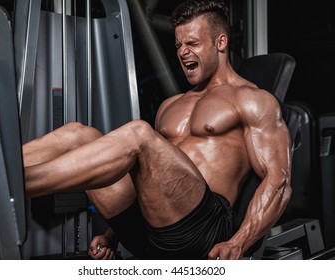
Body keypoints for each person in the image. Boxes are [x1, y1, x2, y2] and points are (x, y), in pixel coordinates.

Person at [23, 0, 292, 260]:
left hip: (202, 231)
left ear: (220, 42)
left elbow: (278, 182)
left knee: (139, 134)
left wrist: (238, 243)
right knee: (76, 134)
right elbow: (151, 180)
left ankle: (19, 183)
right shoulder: (171, 105)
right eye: (179, 45)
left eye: (193, 43)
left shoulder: (252, 99)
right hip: (151, 230)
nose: (183, 52)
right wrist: (112, 236)